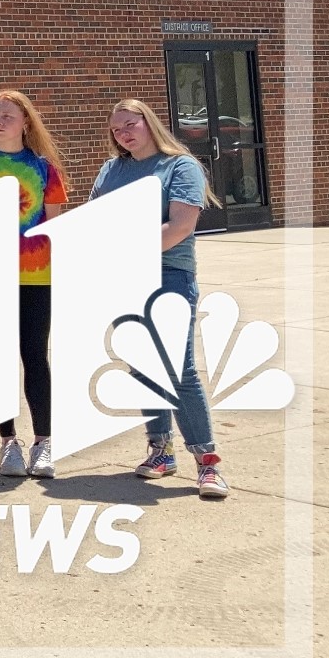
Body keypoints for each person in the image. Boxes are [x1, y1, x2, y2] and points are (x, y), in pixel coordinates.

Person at [93, 99, 230, 499]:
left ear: (149, 122)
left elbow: (179, 227)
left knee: (177, 369)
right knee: (142, 367)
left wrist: (122, 249)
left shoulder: (180, 166)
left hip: (169, 275)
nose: (124, 133)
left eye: (130, 124)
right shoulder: (111, 169)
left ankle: (207, 463)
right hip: (124, 279)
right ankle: (160, 450)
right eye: (117, 129)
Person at [0, 89, 69, 479]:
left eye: (8, 116)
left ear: (26, 123)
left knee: (35, 356)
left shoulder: (44, 168)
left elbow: (54, 225)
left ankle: (44, 442)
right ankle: (9, 444)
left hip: (35, 275)